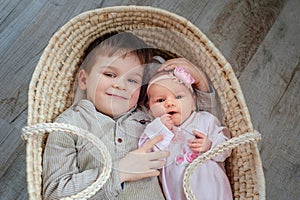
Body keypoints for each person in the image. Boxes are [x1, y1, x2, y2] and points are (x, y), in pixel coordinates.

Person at [42, 32, 214, 199]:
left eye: (132, 80)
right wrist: (119, 172)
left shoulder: (149, 116)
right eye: (110, 74)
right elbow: (55, 192)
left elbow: (196, 121)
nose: (120, 85)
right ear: (84, 80)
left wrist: (200, 81)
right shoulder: (69, 125)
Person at [139, 66, 233, 200]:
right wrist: (162, 130)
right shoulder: (154, 130)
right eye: (160, 100)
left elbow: (227, 147)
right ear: (150, 109)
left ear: (193, 101)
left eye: (178, 97)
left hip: (214, 190)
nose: (170, 103)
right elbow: (146, 158)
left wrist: (210, 145)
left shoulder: (204, 120)